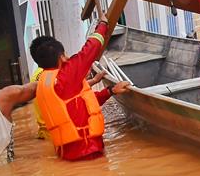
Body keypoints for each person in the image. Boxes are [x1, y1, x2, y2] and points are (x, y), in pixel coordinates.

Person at [29, 13, 131, 161]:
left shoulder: (44, 81)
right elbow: (91, 48)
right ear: (62, 57)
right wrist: (102, 24)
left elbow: (79, 104)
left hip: (66, 155)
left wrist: (110, 91)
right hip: (89, 152)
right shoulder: (67, 74)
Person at [30, 66, 108, 139]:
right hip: (59, 135)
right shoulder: (53, 75)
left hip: (46, 132)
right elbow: (73, 93)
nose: (65, 59)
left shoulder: (39, 75)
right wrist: (95, 81)